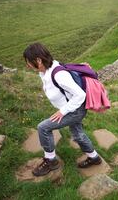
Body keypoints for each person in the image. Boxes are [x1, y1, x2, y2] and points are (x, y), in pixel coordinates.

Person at [23, 42, 101, 177]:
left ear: (39, 60)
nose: (27, 65)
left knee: (43, 127)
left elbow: (80, 95)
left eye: (29, 62)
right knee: (78, 134)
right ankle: (94, 157)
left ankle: (50, 160)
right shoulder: (47, 70)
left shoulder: (59, 75)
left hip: (75, 110)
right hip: (72, 108)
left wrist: (62, 111)